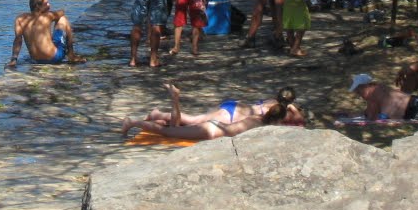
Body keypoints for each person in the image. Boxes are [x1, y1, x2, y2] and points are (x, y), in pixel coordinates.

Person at [120, 83, 302, 140]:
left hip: (222, 121)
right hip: (213, 130)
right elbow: (300, 124)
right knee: (168, 131)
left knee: (178, 126)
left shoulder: (259, 116)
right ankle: (133, 123)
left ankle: (160, 114)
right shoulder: (265, 127)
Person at [8, 0, 85, 66]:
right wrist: (62, 10)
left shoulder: (20, 19)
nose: (49, 5)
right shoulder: (48, 15)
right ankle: (71, 55)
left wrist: (14, 59)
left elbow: (18, 40)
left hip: (36, 60)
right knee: (63, 18)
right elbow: (61, 13)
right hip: (55, 58)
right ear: (38, 6)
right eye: (46, 3)